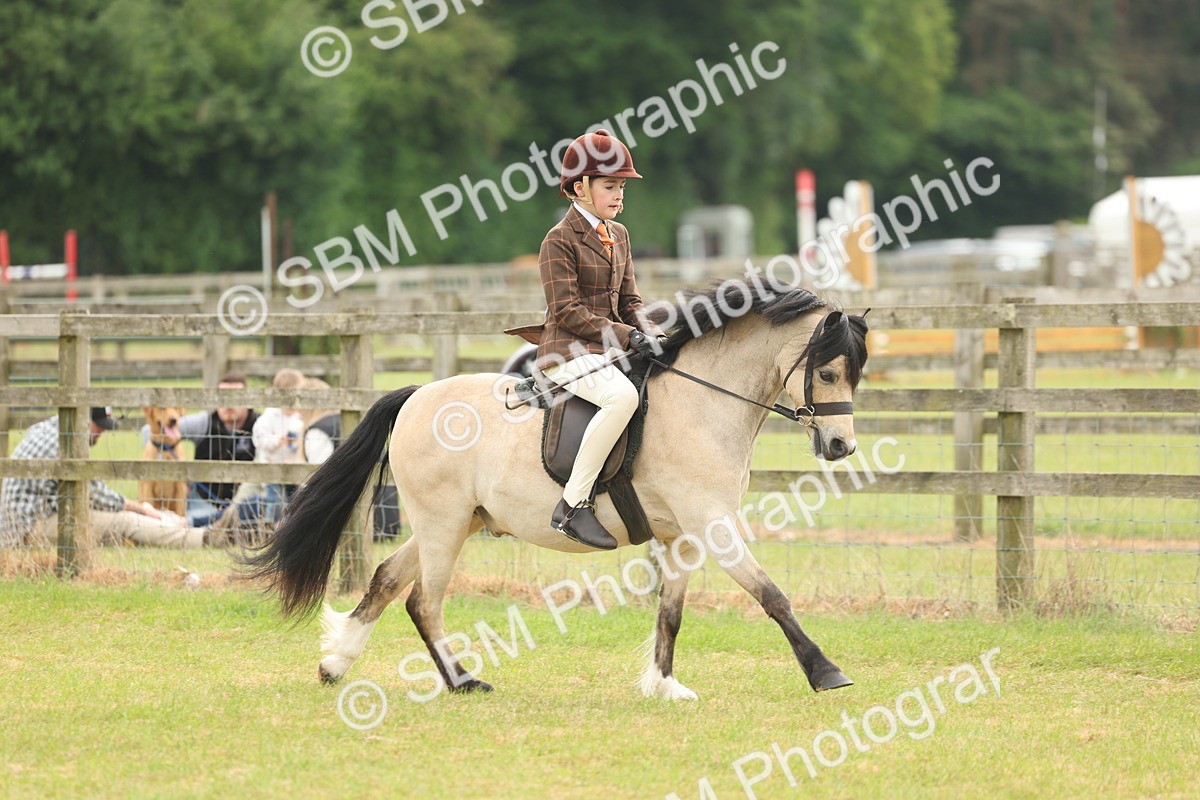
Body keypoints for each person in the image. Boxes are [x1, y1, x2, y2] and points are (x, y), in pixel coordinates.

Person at [505, 128, 667, 551]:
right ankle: (573, 505)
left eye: (621, 187)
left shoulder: (620, 235)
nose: (619, 195)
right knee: (622, 399)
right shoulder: (557, 240)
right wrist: (627, 335)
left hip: (610, 350)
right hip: (568, 351)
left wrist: (652, 332)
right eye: (610, 186)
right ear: (579, 187)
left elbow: (630, 299)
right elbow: (567, 311)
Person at [0, 407, 214, 548]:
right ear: (83, 419)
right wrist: (142, 508)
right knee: (127, 521)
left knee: (118, 524)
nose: (102, 432)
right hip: (29, 529)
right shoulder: (64, 445)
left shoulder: (48, 429)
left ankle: (175, 526)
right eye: (99, 426)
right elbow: (96, 496)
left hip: (22, 523)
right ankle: (202, 538)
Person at [142, 373, 259, 527]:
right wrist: (167, 455)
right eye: (222, 397)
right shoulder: (205, 422)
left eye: (235, 398)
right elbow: (147, 431)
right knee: (197, 524)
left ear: (248, 401)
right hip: (203, 501)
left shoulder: (260, 425)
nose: (228, 404)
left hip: (245, 502)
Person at [251, 368, 306, 522]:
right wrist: (277, 441)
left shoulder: (300, 417)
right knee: (275, 502)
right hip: (273, 466)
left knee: (297, 501)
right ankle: (270, 528)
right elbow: (259, 440)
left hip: (294, 467)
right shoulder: (269, 416)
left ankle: (292, 528)